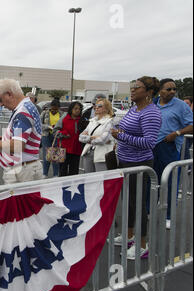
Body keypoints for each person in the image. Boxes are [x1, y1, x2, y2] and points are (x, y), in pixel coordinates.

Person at [111, 76, 162, 260]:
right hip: (125, 160)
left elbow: (149, 142)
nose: (132, 90)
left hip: (139, 163)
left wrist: (122, 136)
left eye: (137, 87)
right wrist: (118, 132)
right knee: (129, 202)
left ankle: (142, 245)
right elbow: (128, 129)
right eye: (132, 86)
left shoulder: (151, 112)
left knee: (138, 203)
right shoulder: (134, 109)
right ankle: (130, 235)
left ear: (148, 92)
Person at [153, 79, 193, 229]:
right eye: (168, 89)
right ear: (160, 90)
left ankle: (169, 215)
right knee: (151, 180)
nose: (172, 92)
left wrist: (177, 133)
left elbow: (191, 125)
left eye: (174, 89)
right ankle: (150, 210)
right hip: (150, 147)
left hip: (168, 147)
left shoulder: (181, 105)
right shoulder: (153, 103)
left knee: (170, 182)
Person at [0, 78, 42, 184]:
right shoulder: (27, 107)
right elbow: (24, 139)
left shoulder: (22, 112)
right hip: (26, 167)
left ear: (9, 94)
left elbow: (17, 146)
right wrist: (1, 139)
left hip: (22, 171)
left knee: (20, 200)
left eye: (1, 100)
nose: (1, 105)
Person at [79, 98, 115, 172]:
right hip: (88, 152)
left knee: (100, 178)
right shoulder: (92, 121)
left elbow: (102, 140)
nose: (96, 107)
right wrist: (92, 137)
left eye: (100, 106)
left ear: (106, 108)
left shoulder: (109, 122)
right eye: (96, 105)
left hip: (102, 154)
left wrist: (88, 138)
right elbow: (80, 137)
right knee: (88, 178)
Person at [41, 99, 65, 178]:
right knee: (46, 155)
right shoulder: (45, 113)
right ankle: (45, 173)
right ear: (50, 107)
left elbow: (64, 125)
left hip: (56, 135)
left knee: (56, 155)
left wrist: (58, 129)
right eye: (52, 109)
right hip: (46, 135)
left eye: (56, 109)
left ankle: (55, 174)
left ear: (58, 108)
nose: (54, 111)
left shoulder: (62, 114)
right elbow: (39, 124)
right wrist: (47, 127)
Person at [57, 101, 83, 176]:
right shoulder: (64, 118)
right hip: (62, 149)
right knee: (62, 172)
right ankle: (61, 187)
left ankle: (73, 187)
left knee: (74, 173)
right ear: (71, 109)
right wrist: (63, 134)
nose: (78, 110)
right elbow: (55, 131)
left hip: (76, 150)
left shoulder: (82, 120)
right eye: (75, 108)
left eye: (79, 109)